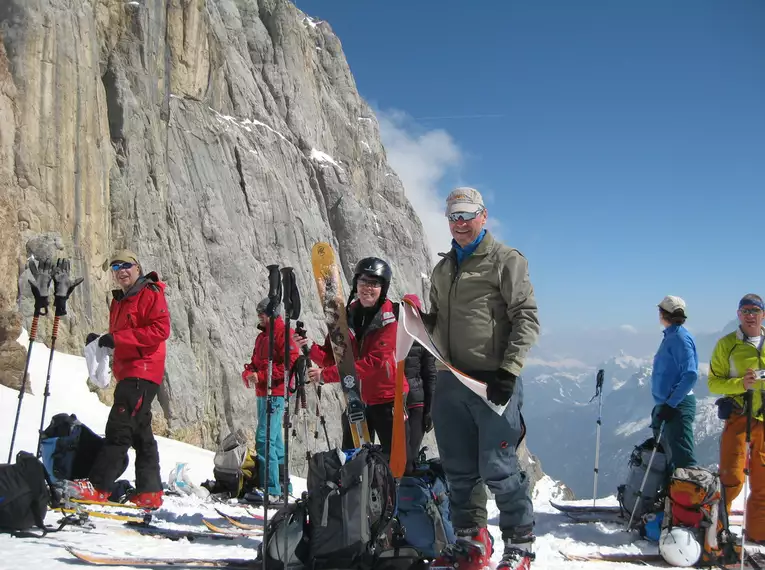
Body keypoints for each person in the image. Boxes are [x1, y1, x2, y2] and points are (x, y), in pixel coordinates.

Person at [424, 187, 540, 570]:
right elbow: (437, 320)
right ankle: (472, 541)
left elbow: (526, 317)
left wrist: (508, 370)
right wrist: (414, 322)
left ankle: (520, 544)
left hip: (492, 382)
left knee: (499, 467)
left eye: (466, 215)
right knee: (458, 469)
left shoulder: (505, 260)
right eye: (453, 216)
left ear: (483, 215)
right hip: (452, 380)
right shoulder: (443, 269)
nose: (459, 223)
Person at [70, 250, 171, 509]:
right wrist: (102, 338)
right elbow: (125, 333)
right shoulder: (121, 300)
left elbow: (160, 330)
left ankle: (99, 486)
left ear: (137, 268)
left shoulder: (150, 293)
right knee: (141, 434)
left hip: (142, 371)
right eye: (116, 267)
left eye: (126, 265)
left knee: (119, 427)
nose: (121, 271)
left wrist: (118, 339)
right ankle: (150, 492)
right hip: (130, 372)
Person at [295, 257, 409, 460]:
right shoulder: (346, 315)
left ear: (383, 288)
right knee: (353, 460)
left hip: (388, 399)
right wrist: (309, 347)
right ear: (356, 284)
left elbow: (375, 362)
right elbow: (334, 358)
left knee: (394, 462)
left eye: (374, 283)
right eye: (363, 282)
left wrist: (326, 375)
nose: (367, 288)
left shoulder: (390, 317)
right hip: (357, 398)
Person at [708, 294, 765, 544]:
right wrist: (741, 384)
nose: (750, 315)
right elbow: (713, 382)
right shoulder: (726, 344)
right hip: (739, 416)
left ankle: (759, 534)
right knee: (731, 479)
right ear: (738, 314)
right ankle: (718, 532)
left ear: (763, 313)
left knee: (763, 482)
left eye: (755, 310)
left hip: (763, 418)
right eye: (745, 311)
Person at [241, 298, 298, 503]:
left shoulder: (284, 334)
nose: (260, 316)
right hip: (263, 393)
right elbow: (255, 362)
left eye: (262, 313)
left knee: (264, 439)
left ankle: (271, 489)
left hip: (276, 394)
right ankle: (282, 485)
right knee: (274, 441)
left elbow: (290, 364)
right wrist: (248, 373)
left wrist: (262, 376)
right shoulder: (262, 337)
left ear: (273, 313)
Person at [650, 295, 699, 470]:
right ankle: (672, 495)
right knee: (669, 459)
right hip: (669, 406)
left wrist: (671, 405)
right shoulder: (673, 336)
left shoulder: (679, 338)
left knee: (682, 461)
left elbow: (691, 374)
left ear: (663, 314)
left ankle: (688, 493)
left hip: (676, 406)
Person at [393, 295, 436, 465]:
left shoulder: (423, 338)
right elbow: (431, 375)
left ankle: (404, 487)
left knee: (410, 454)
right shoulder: (390, 331)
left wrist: (430, 410)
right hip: (401, 400)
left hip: (414, 402)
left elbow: (431, 374)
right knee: (403, 454)